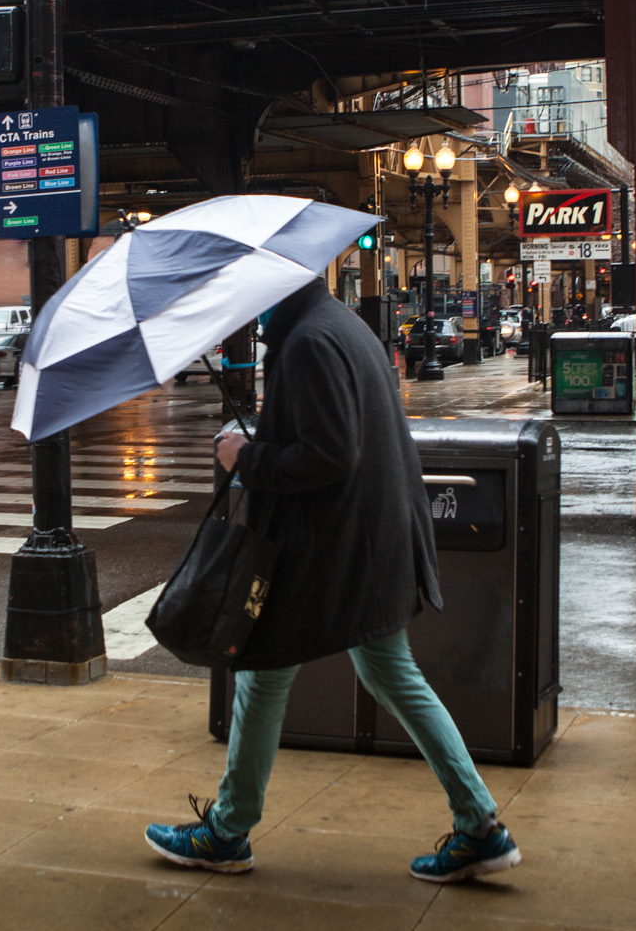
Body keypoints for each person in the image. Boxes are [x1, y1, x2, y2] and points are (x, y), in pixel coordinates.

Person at [142, 280, 521, 885]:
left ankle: (228, 833)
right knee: (381, 673)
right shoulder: (337, 324)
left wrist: (246, 458)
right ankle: (479, 825)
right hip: (368, 539)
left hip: (335, 548)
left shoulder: (307, 343)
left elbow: (329, 454)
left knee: (265, 672)